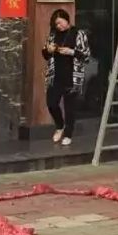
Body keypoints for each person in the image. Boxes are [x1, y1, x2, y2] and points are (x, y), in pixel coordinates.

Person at [42, 9, 90, 146]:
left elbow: (86, 56)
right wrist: (48, 50)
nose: (59, 26)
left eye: (60, 22)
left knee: (70, 108)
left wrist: (72, 52)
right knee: (51, 103)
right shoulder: (53, 35)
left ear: (66, 19)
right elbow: (45, 54)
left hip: (72, 76)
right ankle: (59, 125)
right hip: (55, 75)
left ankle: (68, 134)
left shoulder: (78, 34)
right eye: (56, 24)